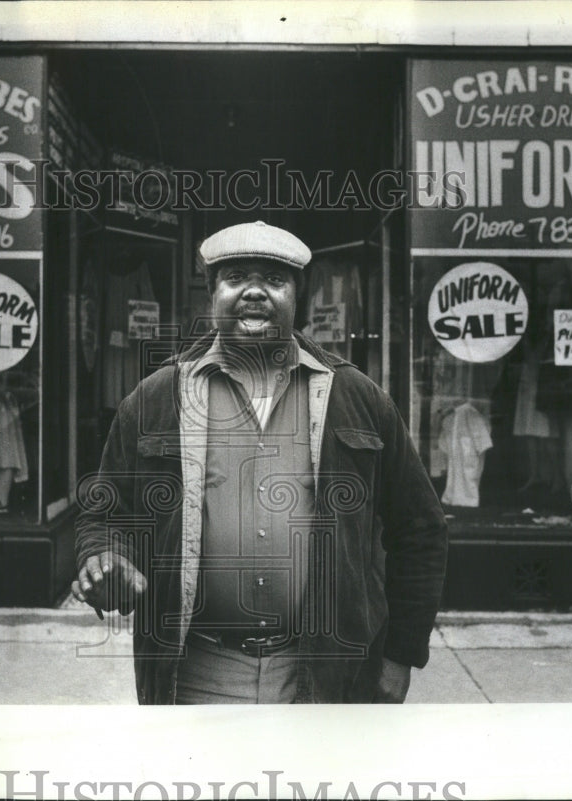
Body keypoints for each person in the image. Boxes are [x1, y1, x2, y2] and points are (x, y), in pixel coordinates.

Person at [73, 220, 448, 704]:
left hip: (326, 677)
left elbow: (420, 529)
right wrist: (106, 558)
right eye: (236, 278)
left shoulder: (356, 396)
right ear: (211, 294)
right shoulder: (157, 400)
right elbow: (105, 514)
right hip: (195, 675)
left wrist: (401, 655)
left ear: (298, 297)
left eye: (274, 280)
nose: (254, 293)